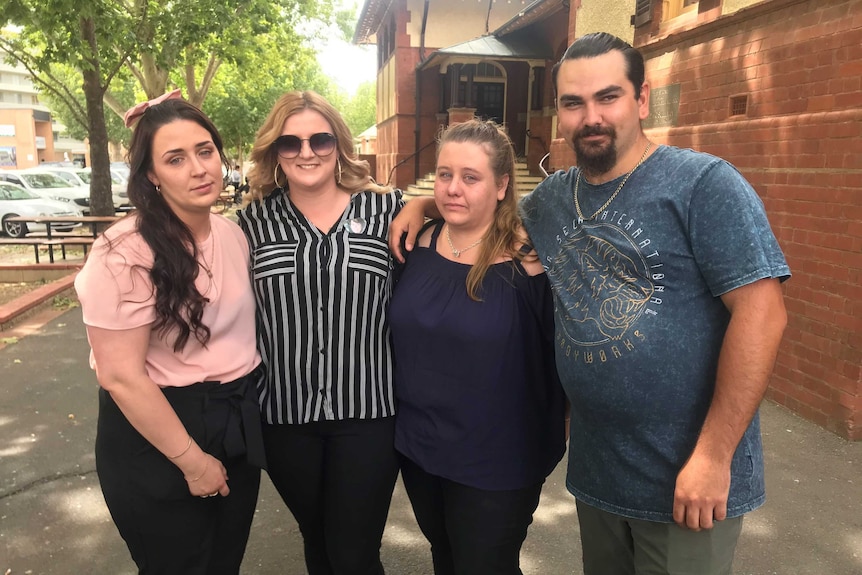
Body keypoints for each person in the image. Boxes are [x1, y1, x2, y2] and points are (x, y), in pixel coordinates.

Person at [390, 32, 790, 575]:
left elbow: (762, 314)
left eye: (608, 97)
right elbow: (482, 207)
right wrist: (423, 205)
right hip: (599, 472)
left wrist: (715, 456)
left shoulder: (703, 185)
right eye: (573, 103)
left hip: (686, 474)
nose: (590, 117)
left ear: (641, 99)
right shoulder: (554, 200)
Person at [74, 91, 266, 574]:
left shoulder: (231, 234)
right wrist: (192, 461)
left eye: (206, 151)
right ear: (152, 175)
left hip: (234, 420)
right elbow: (121, 377)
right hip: (157, 434)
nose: (199, 169)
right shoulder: (122, 253)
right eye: (175, 159)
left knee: (223, 564)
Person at [389, 119, 567, 574]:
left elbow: (565, 351)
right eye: (445, 175)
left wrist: (568, 420)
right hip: (421, 446)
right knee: (444, 555)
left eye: (471, 178)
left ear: (502, 184)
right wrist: (420, 203)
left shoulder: (530, 260)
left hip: (499, 455)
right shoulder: (416, 244)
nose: (453, 188)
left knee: (484, 565)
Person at [236, 90, 402, 575]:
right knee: (318, 538)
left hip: (369, 414)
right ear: (274, 153)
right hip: (286, 418)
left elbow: (457, 217)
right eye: (290, 143)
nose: (306, 152)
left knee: (354, 550)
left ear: (339, 144)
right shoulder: (249, 224)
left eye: (319, 139)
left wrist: (428, 201)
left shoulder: (387, 210)